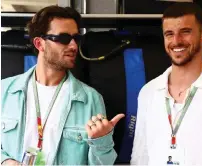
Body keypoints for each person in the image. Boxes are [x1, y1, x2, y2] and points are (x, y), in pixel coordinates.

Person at [1, 5, 124, 165]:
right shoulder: (4, 91)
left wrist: (101, 142)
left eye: (76, 38)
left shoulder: (90, 99)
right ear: (39, 44)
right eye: (64, 38)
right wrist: (5, 161)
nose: (73, 46)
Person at [131, 2, 202, 165]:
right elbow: (140, 158)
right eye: (169, 34)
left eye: (185, 32)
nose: (176, 41)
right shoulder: (149, 92)